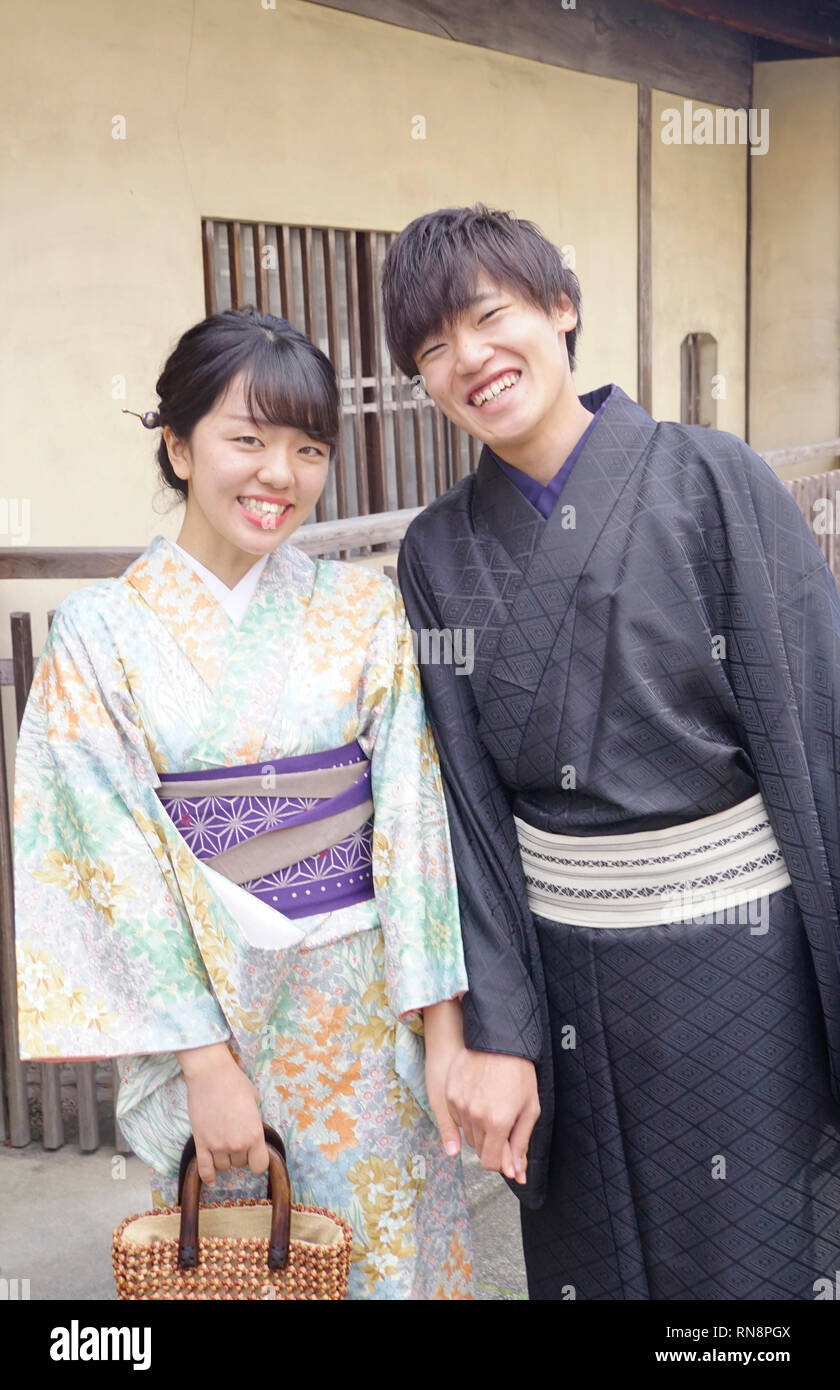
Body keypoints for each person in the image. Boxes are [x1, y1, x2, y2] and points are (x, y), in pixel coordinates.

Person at [381, 204, 840, 1300]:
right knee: (596, 1261)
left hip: (741, 958)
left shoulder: (712, 479)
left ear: (561, 308)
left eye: (489, 318)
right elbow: (468, 815)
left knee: (750, 1265)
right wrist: (498, 1026)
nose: (469, 362)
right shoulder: (437, 551)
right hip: (562, 965)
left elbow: (817, 725)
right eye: (433, 349)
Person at [13, 307, 473, 1301]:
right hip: (215, 1025)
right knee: (240, 1272)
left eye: (308, 448)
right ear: (178, 446)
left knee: (398, 1270)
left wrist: (442, 1033)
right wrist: (204, 1061)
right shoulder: (101, 633)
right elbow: (104, 854)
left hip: (364, 1026)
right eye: (247, 439)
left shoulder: (362, 607)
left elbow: (412, 820)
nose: (280, 474)